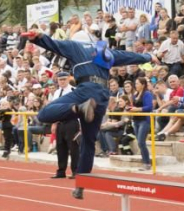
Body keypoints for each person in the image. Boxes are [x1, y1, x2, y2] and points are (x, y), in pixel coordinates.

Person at [24, 29, 157, 199]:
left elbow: (55, 44)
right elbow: (126, 56)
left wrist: (39, 38)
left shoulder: (74, 46)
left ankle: (78, 109)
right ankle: (81, 185)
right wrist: (148, 57)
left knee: (44, 114)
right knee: (88, 140)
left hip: (86, 90)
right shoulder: (103, 50)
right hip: (102, 96)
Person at [49, 72, 79, 179]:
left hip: (72, 122)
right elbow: (54, 109)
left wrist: (80, 124)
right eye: (60, 79)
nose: (62, 81)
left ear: (68, 79)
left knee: (74, 148)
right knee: (60, 148)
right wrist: (54, 123)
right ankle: (61, 171)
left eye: (64, 79)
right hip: (60, 123)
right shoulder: (57, 92)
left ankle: (76, 171)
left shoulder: (74, 91)